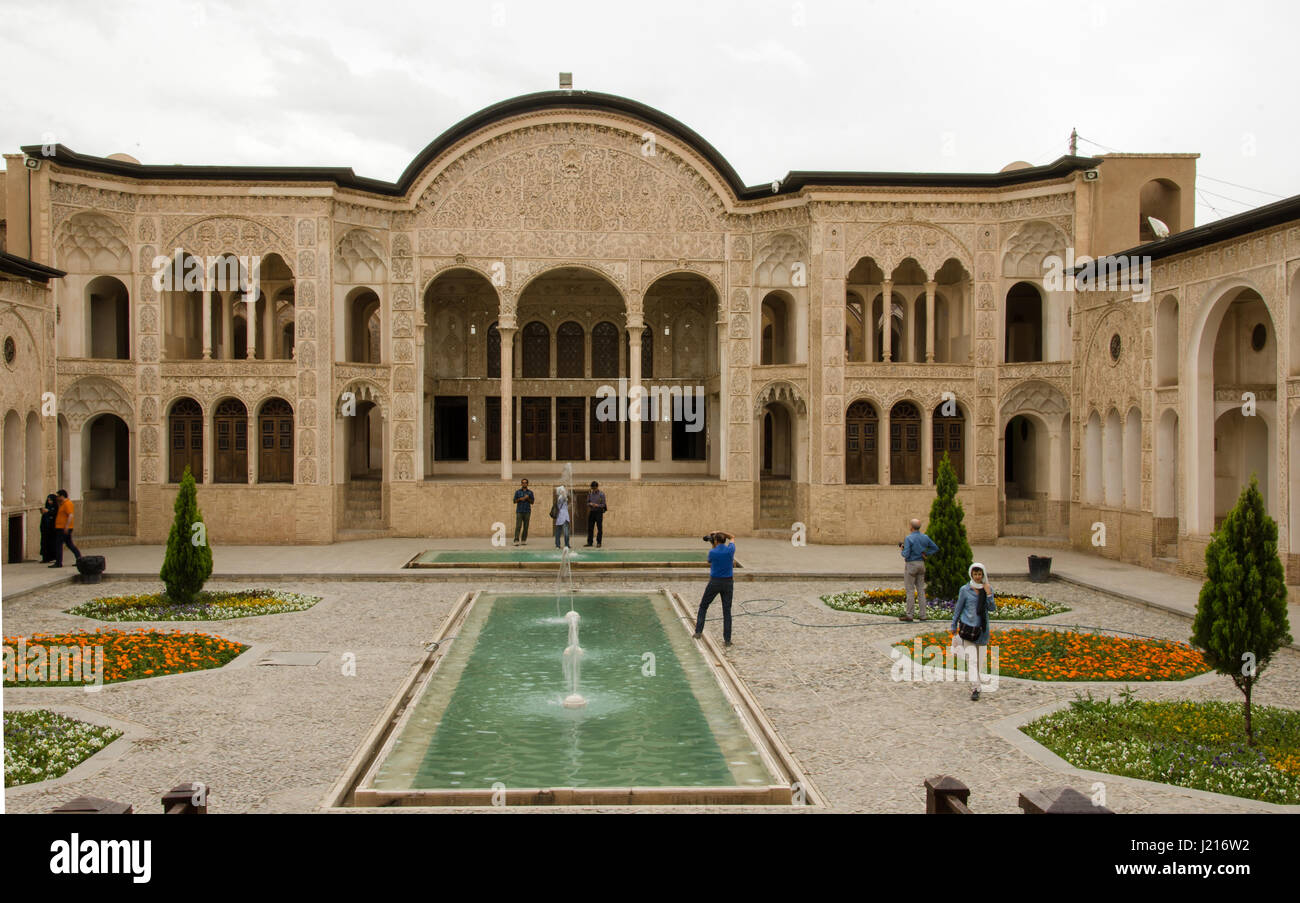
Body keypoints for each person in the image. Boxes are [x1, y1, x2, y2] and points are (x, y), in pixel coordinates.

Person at [950, 562, 996, 701]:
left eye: (980, 574)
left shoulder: (987, 588)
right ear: (971, 574)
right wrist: (953, 624)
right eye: (975, 574)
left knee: (978, 662)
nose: (977, 577)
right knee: (972, 661)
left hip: (982, 631)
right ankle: (975, 688)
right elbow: (959, 607)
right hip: (968, 629)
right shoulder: (965, 589)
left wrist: (989, 594)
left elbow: (992, 608)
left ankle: (976, 682)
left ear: (983, 575)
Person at [694, 530, 736, 647]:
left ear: (716, 541)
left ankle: (698, 632)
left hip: (715, 582)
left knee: (703, 606)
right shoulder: (730, 550)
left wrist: (713, 542)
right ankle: (727, 640)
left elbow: (709, 561)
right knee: (727, 611)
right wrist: (720, 532)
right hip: (728, 583)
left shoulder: (712, 552)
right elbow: (732, 536)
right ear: (724, 540)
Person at [898, 518, 938, 622]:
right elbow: (935, 548)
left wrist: (902, 549)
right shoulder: (925, 537)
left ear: (911, 527)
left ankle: (910, 615)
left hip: (911, 564)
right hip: (921, 564)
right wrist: (926, 553)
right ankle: (923, 615)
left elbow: (905, 554)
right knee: (921, 590)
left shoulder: (909, 538)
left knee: (910, 590)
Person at [51, 488, 82, 568]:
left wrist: (66, 527)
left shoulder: (67, 503)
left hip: (63, 528)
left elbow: (70, 515)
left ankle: (58, 562)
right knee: (69, 544)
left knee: (59, 545)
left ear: (62, 496)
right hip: (62, 527)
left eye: (58, 496)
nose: (57, 498)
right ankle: (79, 558)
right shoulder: (63, 504)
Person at [584, 481, 606, 548]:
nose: (593, 490)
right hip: (592, 512)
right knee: (590, 528)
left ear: (597, 487)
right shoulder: (590, 494)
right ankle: (589, 542)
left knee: (599, 528)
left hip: (599, 512)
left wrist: (597, 505)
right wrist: (590, 504)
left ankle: (599, 542)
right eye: (592, 488)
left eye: (594, 488)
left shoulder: (601, 494)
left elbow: (603, 504)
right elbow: (587, 502)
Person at [512, 478, 534, 546]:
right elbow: (514, 501)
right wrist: (520, 499)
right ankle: (516, 540)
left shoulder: (530, 492)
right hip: (519, 511)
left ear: (527, 484)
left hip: (527, 511)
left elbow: (532, 502)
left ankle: (523, 540)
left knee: (526, 526)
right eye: (523, 483)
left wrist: (528, 499)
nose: (524, 484)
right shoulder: (518, 492)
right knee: (518, 526)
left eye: (525, 483)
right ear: (521, 484)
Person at [39, 493, 59, 563]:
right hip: (45, 529)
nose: (49, 502)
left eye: (50, 500)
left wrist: (49, 512)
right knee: (44, 543)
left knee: (52, 544)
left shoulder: (56, 507)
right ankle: (45, 558)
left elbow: (55, 514)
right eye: (48, 500)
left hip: (52, 529)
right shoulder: (47, 506)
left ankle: (54, 557)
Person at [551, 484, 571, 550]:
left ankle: (558, 545)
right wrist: (564, 492)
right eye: (563, 490)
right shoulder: (561, 497)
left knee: (558, 532)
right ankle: (566, 545)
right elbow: (565, 497)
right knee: (565, 532)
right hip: (564, 517)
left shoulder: (559, 497)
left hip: (560, 517)